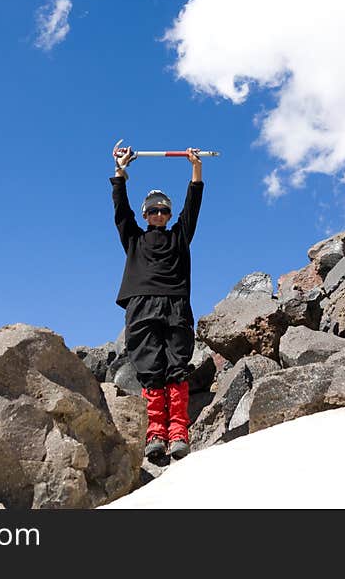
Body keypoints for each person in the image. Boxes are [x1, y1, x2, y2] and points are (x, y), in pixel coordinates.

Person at [110, 143, 204, 461]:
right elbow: (120, 210)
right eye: (153, 210)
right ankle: (156, 433)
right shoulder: (134, 238)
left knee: (176, 365)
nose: (159, 214)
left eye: (164, 210)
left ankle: (178, 431)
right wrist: (120, 171)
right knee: (150, 369)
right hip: (140, 305)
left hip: (175, 303)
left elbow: (193, 206)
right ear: (145, 214)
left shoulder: (180, 235)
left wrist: (195, 167)